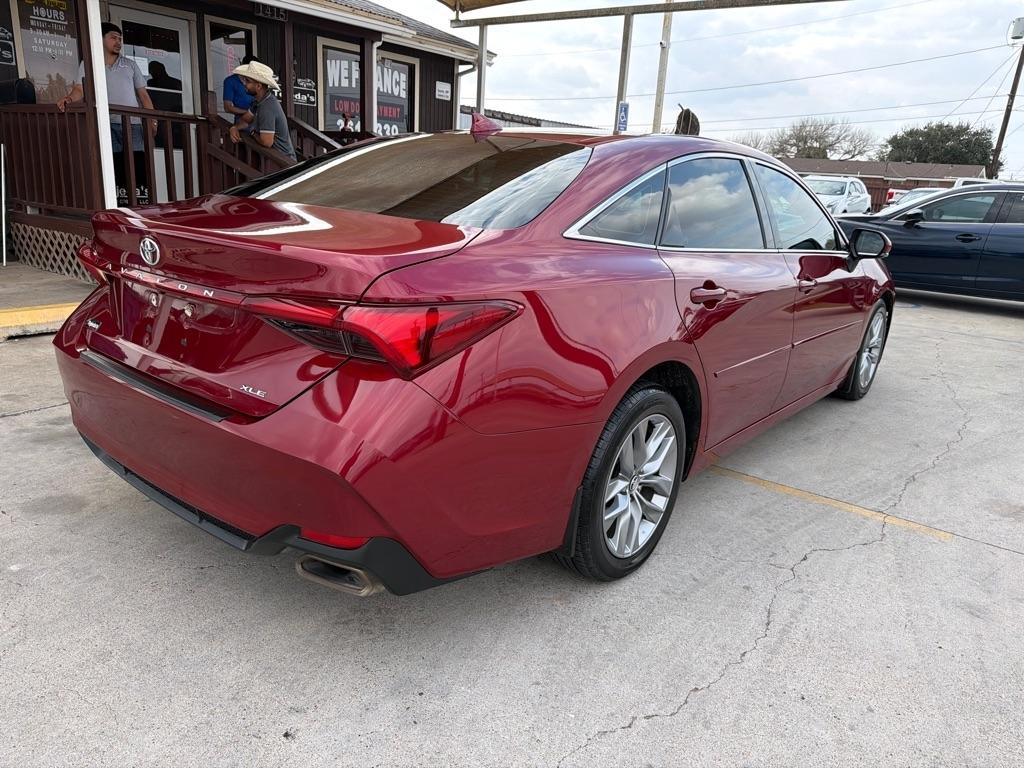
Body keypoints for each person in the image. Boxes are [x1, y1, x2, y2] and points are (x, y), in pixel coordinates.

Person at [58, 22, 155, 205]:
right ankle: (119, 204)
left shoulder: (130, 65)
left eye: (120, 39)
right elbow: (80, 89)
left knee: (137, 163)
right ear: (101, 39)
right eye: (113, 37)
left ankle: (141, 204)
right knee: (114, 164)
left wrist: (152, 121)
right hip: (106, 124)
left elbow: (144, 95)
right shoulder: (89, 63)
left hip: (132, 124)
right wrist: (69, 99)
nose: (118, 42)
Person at [227, 61, 296, 163]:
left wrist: (252, 131)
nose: (245, 84)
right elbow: (246, 120)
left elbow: (266, 142)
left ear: (258, 86)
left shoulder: (267, 106)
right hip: (274, 159)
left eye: (248, 81)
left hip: (283, 162)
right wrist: (234, 128)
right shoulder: (258, 102)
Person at [222, 54, 257, 123]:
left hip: (259, 121)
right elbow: (227, 107)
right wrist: (248, 113)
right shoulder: (230, 81)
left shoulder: (257, 80)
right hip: (242, 122)